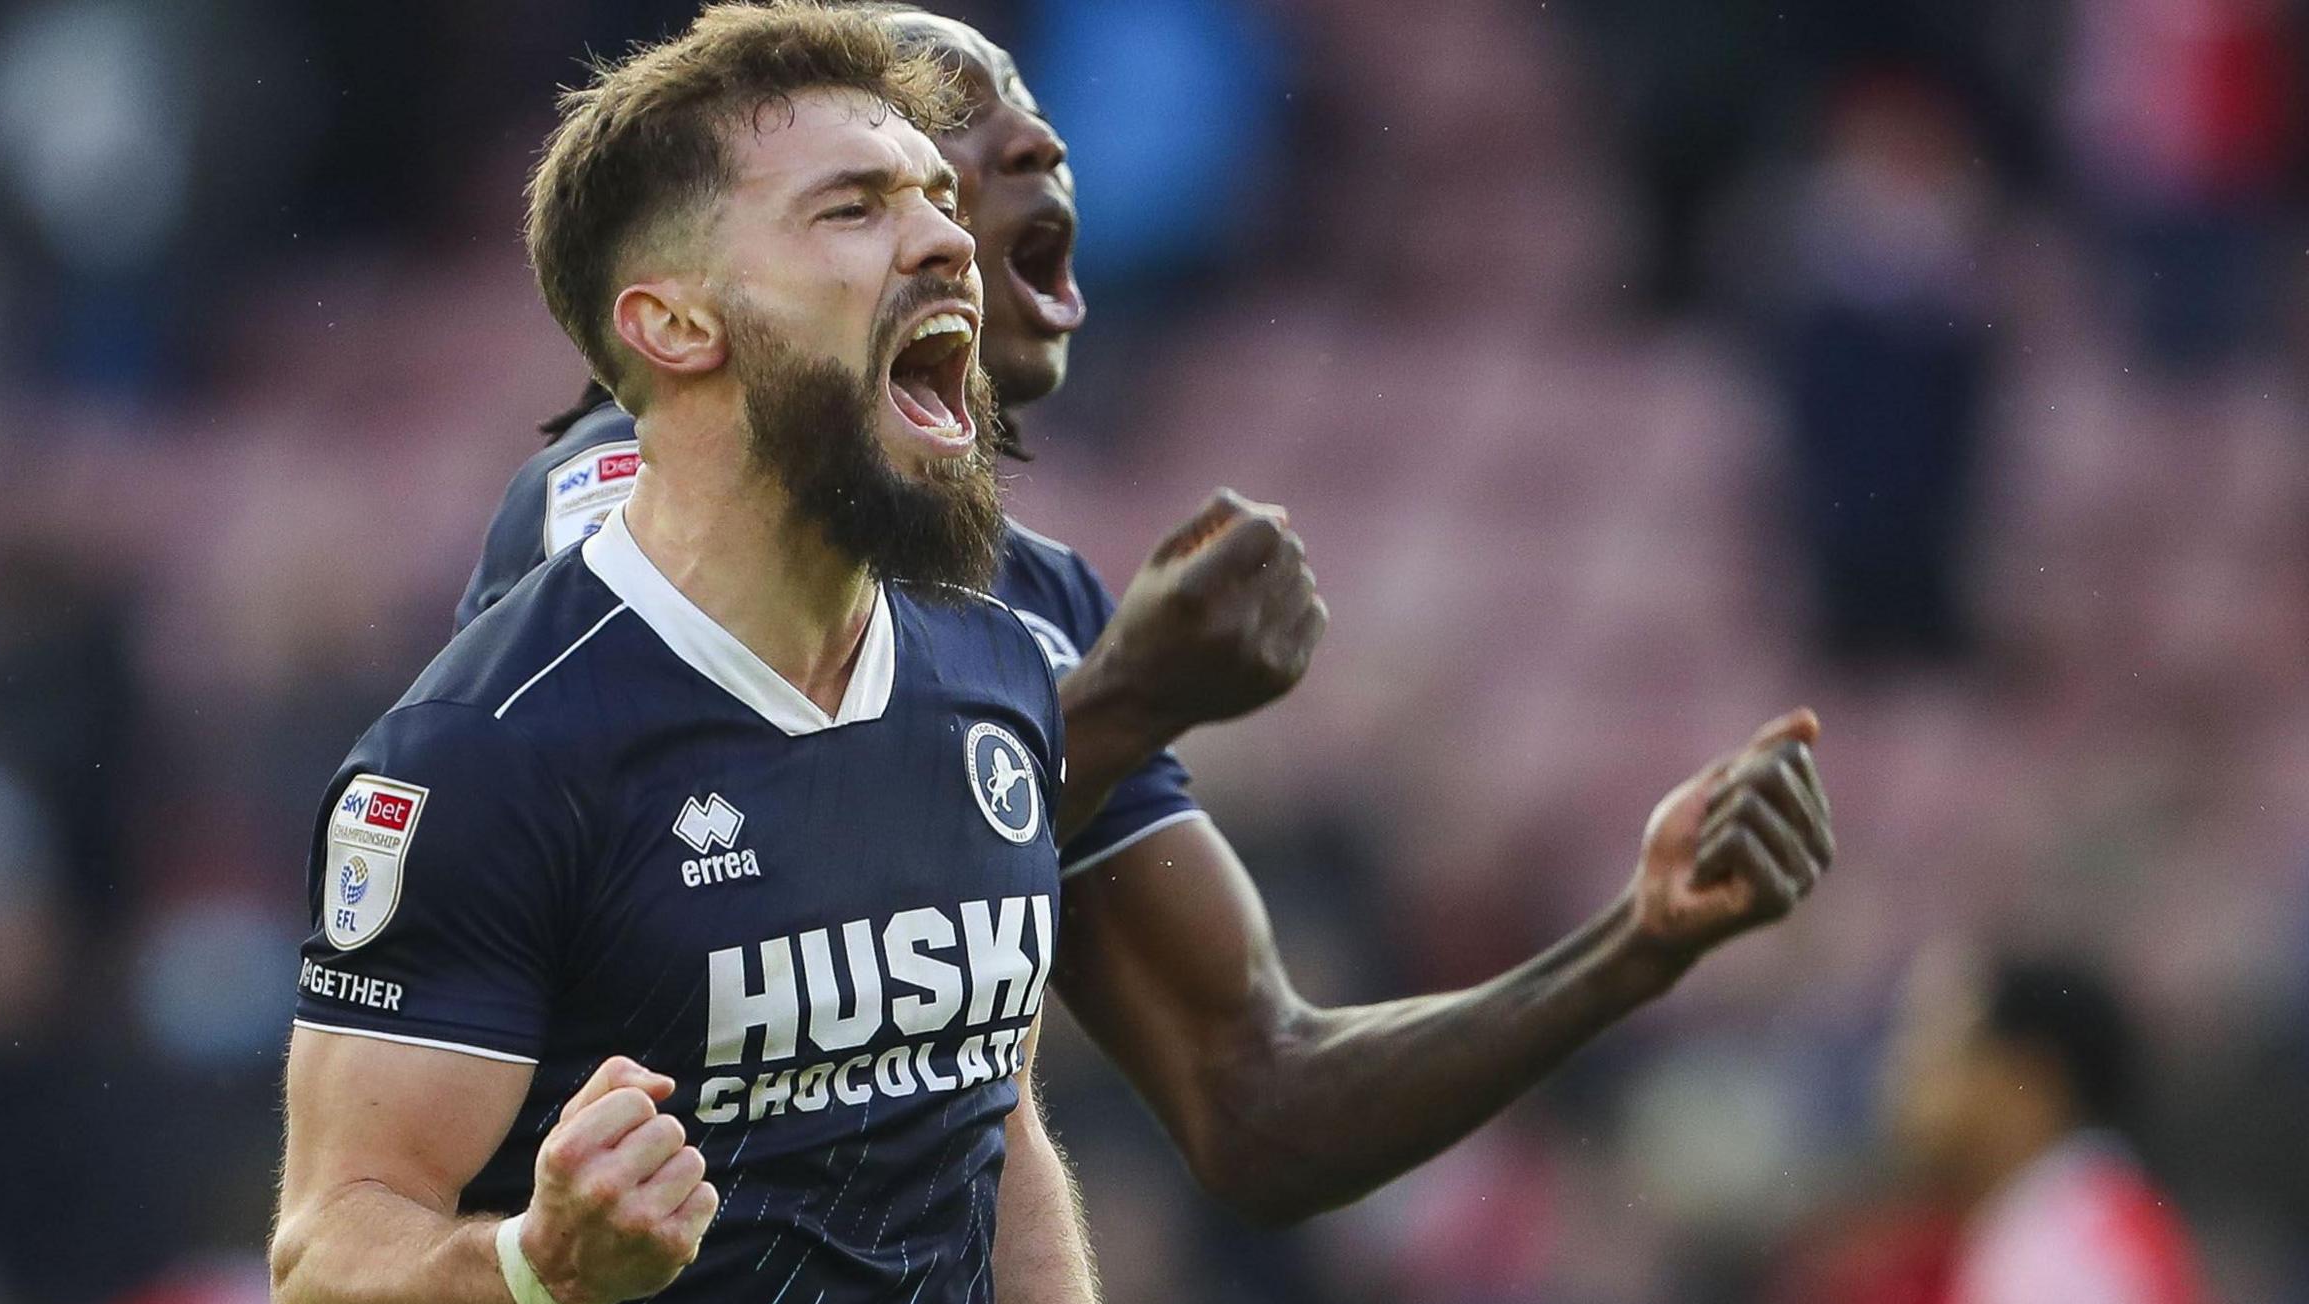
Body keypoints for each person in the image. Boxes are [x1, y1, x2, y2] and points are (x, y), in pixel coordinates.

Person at [462, 1, 1840, 1232]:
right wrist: (1123, 705)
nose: (1042, 153)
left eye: (1040, 128)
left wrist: (1636, 945)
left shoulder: (1046, 605)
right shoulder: (632, 486)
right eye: (958, 141)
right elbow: (711, 915)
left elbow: (1258, 1104)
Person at [269, 6, 1124, 1304]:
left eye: (932, 196)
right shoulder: (490, 754)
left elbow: (988, 1120)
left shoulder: (991, 669)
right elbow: (321, 1290)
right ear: (672, 322)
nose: (943, 239)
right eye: (852, 209)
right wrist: (540, 1271)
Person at [1889, 953, 2221, 1304]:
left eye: (1940, 1057)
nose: (1905, 1084)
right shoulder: (2076, 1230)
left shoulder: (2065, 1261)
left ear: (2028, 1083)